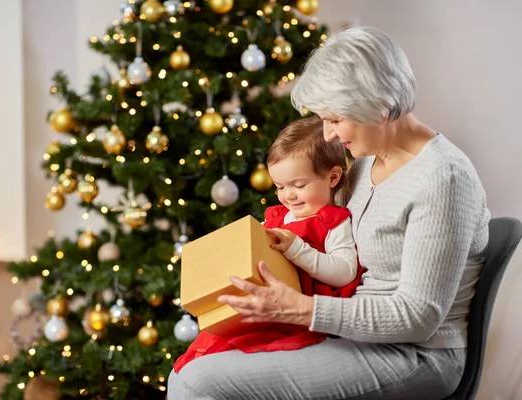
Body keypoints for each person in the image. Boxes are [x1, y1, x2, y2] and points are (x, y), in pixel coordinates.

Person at [167, 26, 490, 400]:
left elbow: (419, 317)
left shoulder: (443, 178)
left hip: (416, 355)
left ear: (379, 105)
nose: (329, 134)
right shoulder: (365, 167)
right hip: (351, 334)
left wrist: (302, 310)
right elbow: (320, 231)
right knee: (191, 367)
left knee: (196, 384)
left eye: (335, 119)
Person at [173, 117, 363, 373]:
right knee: (202, 354)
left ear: (332, 177)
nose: (288, 195)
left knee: (220, 367)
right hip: (263, 308)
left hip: (296, 317)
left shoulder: (333, 222)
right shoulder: (277, 218)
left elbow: (344, 272)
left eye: (299, 185)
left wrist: (297, 248)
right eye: (279, 187)